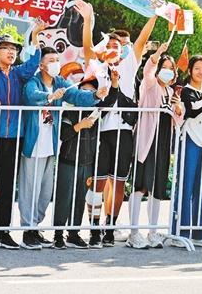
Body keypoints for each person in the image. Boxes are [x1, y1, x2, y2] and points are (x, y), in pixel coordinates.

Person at [0, 6, 46, 249]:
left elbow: (34, 61)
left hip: (13, 136)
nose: (12, 52)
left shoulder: (18, 74)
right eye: (6, 48)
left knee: (6, 186)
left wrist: (35, 34)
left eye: (14, 49)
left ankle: (3, 233)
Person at [19, 47, 105, 250]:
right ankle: (27, 231)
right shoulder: (33, 82)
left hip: (50, 146)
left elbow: (76, 96)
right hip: (34, 145)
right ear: (41, 65)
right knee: (30, 189)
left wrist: (96, 96)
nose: (55, 63)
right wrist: (49, 97)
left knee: (45, 191)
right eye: (51, 60)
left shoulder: (60, 82)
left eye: (57, 59)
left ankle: (35, 228)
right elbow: (31, 96)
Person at [87, 15, 157, 247]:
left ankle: (110, 227)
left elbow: (143, 39)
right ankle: (94, 228)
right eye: (108, 45)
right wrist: (88, 19)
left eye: (116, 46)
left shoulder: (128, 65)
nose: (112, 48)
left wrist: (155, 15)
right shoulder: (97, 68)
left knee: (118, 183)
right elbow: (87, 48)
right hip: (100, 131)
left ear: (123, 50)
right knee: (97, 182)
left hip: (124, 131)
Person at [55, 70, 118, 249]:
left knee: (79, 200)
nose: (87, 94)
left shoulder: (96, 112)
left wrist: (114, 83)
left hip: (87, 163)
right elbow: (63, 134)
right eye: (83, 91)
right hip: (68, 161)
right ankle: (58, 234)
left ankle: (73, 234)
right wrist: (79, 126)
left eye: (91, 92)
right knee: (63, 198)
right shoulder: (70, 111)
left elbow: (110, 100)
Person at [127, 42, 181, 250]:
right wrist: (157, 53)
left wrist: (178, 109)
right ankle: (134, 232)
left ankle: (152, 231)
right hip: (147, 141)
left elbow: (177, 119)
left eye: (171, 68)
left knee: (157, 187)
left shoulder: (171, 91)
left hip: (164, 142)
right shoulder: (150, 85)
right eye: (164, 67)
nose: (167, 71)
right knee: (140, 185)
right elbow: (148, 70)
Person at [170, 55, 202, 249]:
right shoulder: (186, 91)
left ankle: (199, 232)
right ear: (190, 70)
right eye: (198, 68)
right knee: (186, 186)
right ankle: (179, 232)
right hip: (189, 140)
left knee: (201, 187)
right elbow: (193, 110)